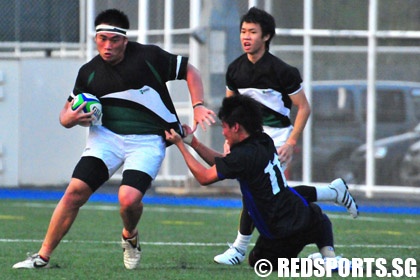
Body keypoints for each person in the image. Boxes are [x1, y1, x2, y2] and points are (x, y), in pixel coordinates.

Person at [13, 9, 216, 270]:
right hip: (106, 138)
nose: (107, 46)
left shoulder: (149, 56)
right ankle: (42, 257)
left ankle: (129, 235)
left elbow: (191, 70)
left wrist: (198, 104)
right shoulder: (89, 72)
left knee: (128, 199)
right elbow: (64, 116)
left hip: (147, 140)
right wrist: (72, 118)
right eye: (102, 39)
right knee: (74, 192)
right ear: (96, 38)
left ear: (125, 40)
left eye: (114, 40)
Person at [214, 7, 359, 265]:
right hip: (249, 139)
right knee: (270, 192)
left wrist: (291, 142)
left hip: (276, 138)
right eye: (243, 32)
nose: (246, 37)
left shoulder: (282, 71)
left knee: (259, 191)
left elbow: (303, 107)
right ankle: (332, 192)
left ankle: (239, 247)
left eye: (252, 32)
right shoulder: (235, 70)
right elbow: (230, 109)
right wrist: (229, 140)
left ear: (266, 36)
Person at [165, 95, 346, 268]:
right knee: (315, 214)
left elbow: (204, 177)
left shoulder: (243, 156)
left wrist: (180, 145)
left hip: (282, 231)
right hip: (308, 217)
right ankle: (329, 255)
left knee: (258, 261)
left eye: (225, 127)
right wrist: (193, 142)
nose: (223, 132)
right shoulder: (263, 140)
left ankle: (318, 263)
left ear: (236, 127)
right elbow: (225, 164)